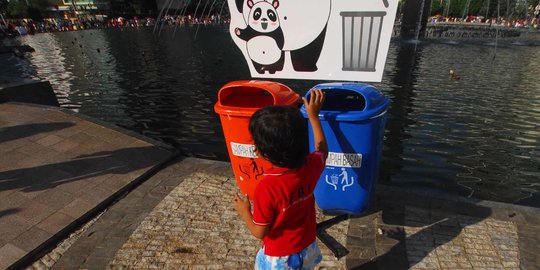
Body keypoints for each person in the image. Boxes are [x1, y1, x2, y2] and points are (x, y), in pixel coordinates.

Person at [234, 89, 328, 269]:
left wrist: (245, 211)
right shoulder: (310, 166)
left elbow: (260, 231)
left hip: (280, 258)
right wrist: (313, 117)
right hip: (306, 247)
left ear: (263, 152)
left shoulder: (267, 187)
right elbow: (322, 150)